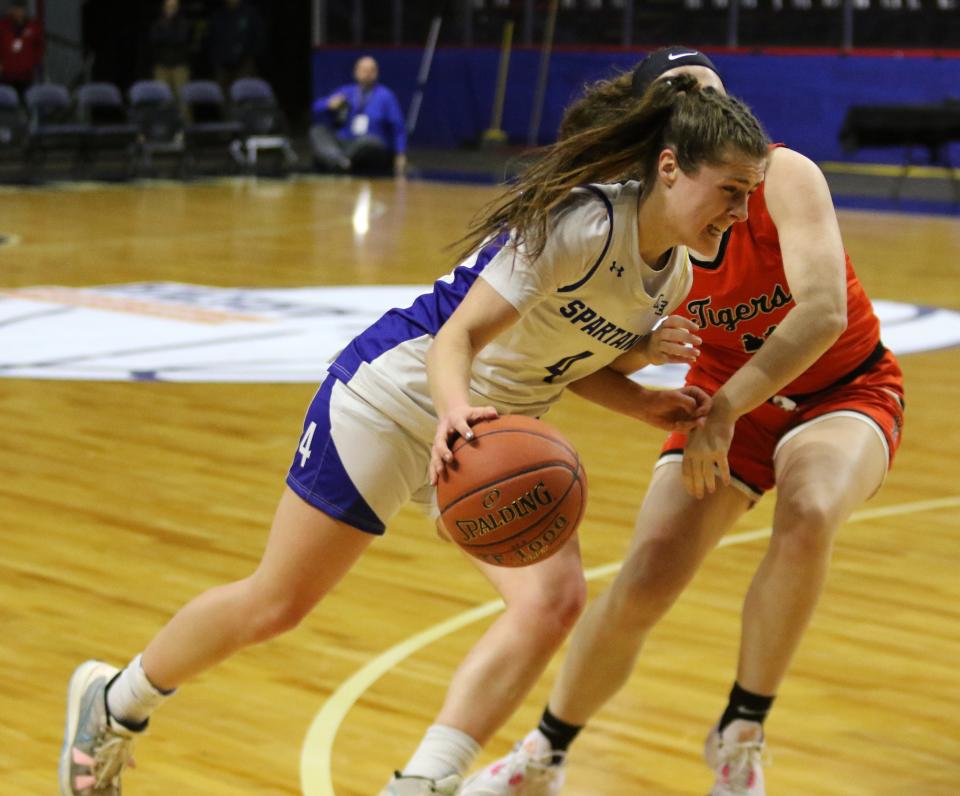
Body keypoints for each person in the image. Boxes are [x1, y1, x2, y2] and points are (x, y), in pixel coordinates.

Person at [57, 75, 771, 796]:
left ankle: (425, 780)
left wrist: (641, 395)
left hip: (487, 429)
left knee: (553, 602)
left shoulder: (674, 275)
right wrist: (455, 413)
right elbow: (455, 339)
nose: (742, 212)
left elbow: (558, 360)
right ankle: (115, 704)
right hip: (397, 396)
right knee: (278, 602)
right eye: (732, 190)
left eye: (750, 194)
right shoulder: (581, 224)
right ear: (671, 167)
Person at [462, 47, 906, 796]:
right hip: (719, 398)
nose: (706, 99)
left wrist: (726, 410)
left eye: (714, 88)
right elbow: (569, 350)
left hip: (842, 391)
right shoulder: (627, 220)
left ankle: (741, 729)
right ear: (661, 141)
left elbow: (824, 310)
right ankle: (543, 753)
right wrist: (640, 377)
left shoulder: (779, 174)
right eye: (684, 92)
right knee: (644, 581)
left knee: (811, 508)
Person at [310, 55, 408, 177]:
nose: (367, 74)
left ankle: (341, 161)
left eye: (371, 70)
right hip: (345, 141)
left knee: (370, 142)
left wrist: (400, 153)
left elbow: (398, 126)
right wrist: (328, 104)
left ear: (376, 73)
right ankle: (342, 161)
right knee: (318, 131)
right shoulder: (346, 92)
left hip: (369, 143)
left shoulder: (386, 95)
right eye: (363, 70)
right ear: (356, 72)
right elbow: (315, 107)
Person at [207, 0, 264, 98]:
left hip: (244, 65)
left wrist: (249, 57)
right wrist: (216, 58)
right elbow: (211, 38)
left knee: (243, 97)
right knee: (222, 97)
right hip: (222, 65)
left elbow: (259, 37)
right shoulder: (218, 14)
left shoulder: (250, 13)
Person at [149, 0, 192, 96]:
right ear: (163, 7)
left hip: (179, 65)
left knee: (182, 98)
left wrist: (165, 34)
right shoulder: (157, 23)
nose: (171, 9)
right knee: (161, 98)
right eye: (168, 6)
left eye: (174, 6)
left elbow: (181, 39)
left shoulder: (184, 22)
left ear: (178, 8)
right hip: (161, 65)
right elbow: (154, 40)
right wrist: (169, 34)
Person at [0, 0, 43, 96]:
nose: (18, 12)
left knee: (26, 101)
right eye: (15, 9)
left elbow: (39, 47)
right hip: (6, 75)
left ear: (25, 10)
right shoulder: (2, 26)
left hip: (26, 75)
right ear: (11, 10)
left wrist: (33, 63)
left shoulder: (33, 26)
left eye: (20, 9)